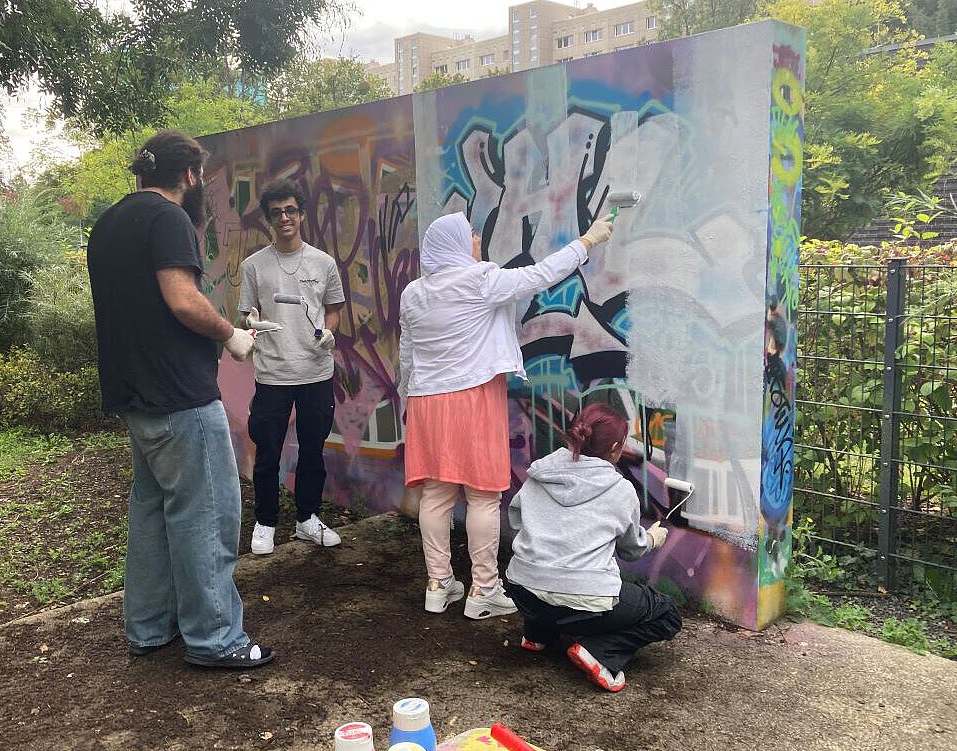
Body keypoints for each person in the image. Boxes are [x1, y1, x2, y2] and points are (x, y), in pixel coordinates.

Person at [87, 129, 273, 669]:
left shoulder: (108, 223)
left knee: (151, 512)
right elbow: (182, 300)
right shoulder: (168, 218)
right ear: (189, 175)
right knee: (207, 513)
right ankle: (215, 638)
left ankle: (149, 629)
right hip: (180, 397)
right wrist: (231, 335)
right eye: (200, 177)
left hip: (136, 396)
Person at [399, 211, 614, 619]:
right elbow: (541, 274)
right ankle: (483, 590)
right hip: (472, 397)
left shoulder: (414, 293)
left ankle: (438, 585)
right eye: (471, 233)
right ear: (456, 243)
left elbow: (406, 354)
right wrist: (587, 241)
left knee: (436, 495)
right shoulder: (480, 280)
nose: (477, 238)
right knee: (483, 495)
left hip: (425, 401)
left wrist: (408, 394)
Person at [504, 403, 682, 692]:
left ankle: (538, 635)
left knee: (547, 579)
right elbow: (631, 550)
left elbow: (516, 519)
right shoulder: (620, 489)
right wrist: (652, 538)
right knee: (666, 613)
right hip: (582, 601)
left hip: (523, 591)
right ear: (615, 447)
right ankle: (602, 652)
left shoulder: (541, 472)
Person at [238, 179, 347, 555]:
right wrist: (251, 323)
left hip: (316, 371)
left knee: (313, 450)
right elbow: (246, 317)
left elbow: (333, 310)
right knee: (267, 451)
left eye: (290, 210)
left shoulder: (323, 262)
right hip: (272, 374)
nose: (284, 217)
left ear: (301, 214)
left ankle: (307, 519)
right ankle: (266, 522)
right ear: (268, 219)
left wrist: (329, 333)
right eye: (276, 213)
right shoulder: (254, 266)